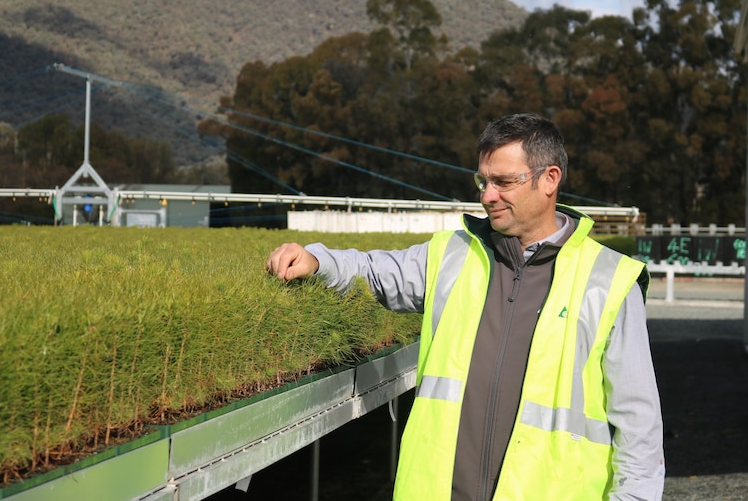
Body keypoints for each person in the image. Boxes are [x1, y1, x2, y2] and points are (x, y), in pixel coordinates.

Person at [265, 113, 665, 500]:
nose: (487, 196)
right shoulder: (452, 254)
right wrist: (317, 261)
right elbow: (374, 271)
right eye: (483, 180)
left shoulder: (609, 281)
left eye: (504, 182)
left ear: (550, 179)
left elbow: (638, 424)